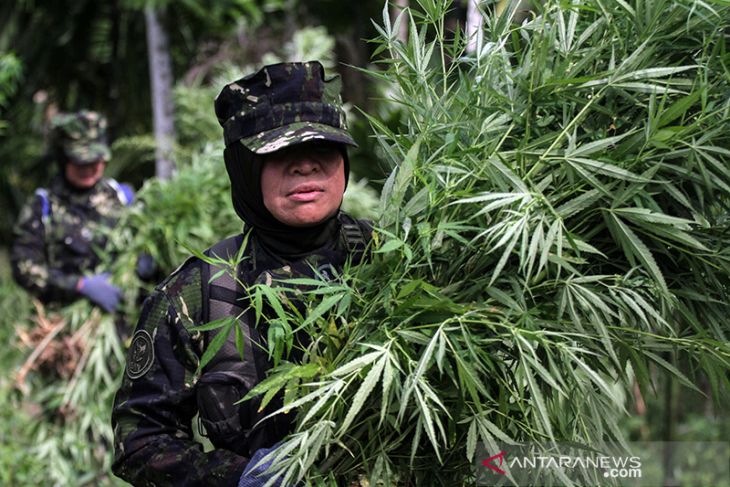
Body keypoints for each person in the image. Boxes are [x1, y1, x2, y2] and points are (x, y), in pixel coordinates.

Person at [111, 61, 372, 486]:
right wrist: (239, 476)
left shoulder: (391, 262)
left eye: (322, 149)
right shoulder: (200, 291)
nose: (305, 166)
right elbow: (138, 438)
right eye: (280, 151)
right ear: (245, 170)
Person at [11, 110, 134, 313]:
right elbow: (24, 266)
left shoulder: (122, 198)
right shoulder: (43, 206)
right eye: (79, 161)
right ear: (63, 159)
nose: (87, 168)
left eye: (93, 161)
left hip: (125, 324)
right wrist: (78, 286)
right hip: (65, 328)